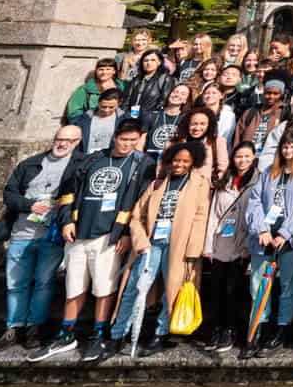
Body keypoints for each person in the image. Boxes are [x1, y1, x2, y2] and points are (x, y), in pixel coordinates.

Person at [30, 119, 152, 364]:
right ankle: (66, 333)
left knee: (104, 288)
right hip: (79, 229)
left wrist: (128, 233)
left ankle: (98, 333)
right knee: (74, 286)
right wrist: (66, 221)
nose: (127, 144)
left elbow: (141, 202)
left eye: (132, 140)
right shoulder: (91, 159)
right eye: (123, 139)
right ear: (114, 137)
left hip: (110, 235)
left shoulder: (143, 164)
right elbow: (67, 192)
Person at [109, 142, 211, 352]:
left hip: (180, 245)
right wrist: (141, 241)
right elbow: (137, 215)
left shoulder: (200, 184)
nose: (179, 164)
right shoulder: (157, 184)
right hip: (152, 243)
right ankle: (119, 333)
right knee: (135, 286)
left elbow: (201, 217)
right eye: (176, 160)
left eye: (185, 161)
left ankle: (161, 333)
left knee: (172, 290)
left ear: (193, 163)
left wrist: (193, 250)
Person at [0, 125, 82, 354]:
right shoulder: (30, 163)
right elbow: (9, 193)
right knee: (15, 284)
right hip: (22, 233)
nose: (62, 143)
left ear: (77, 142)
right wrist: (28, 205)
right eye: (59, 139)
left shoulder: (80, 166)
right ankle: (13, 328)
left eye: (68, 141)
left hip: (52, 235)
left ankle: (34, 328)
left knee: (44, 283)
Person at [243, 128, 293, 357]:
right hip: (264, 237)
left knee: (287, 285)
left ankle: (281, 329)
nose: (288, 150)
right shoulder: (269, 171)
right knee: (258, 284)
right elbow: (255, 200)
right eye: (285, 146)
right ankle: (257, 328)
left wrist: (285, 232)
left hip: (289, 239)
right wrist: (262, 229)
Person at [202, 141, 257, 354]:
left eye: (246, 156)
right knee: (217, 290)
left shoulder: (257, 181)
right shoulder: (225, 181)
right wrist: (208, 246)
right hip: (220, 244)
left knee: (234, 291)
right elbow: (214, 215)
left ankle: (231, 330)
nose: (242, 161)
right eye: (238, 157)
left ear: (253, 158)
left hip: (242, 246)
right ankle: (217, 328)